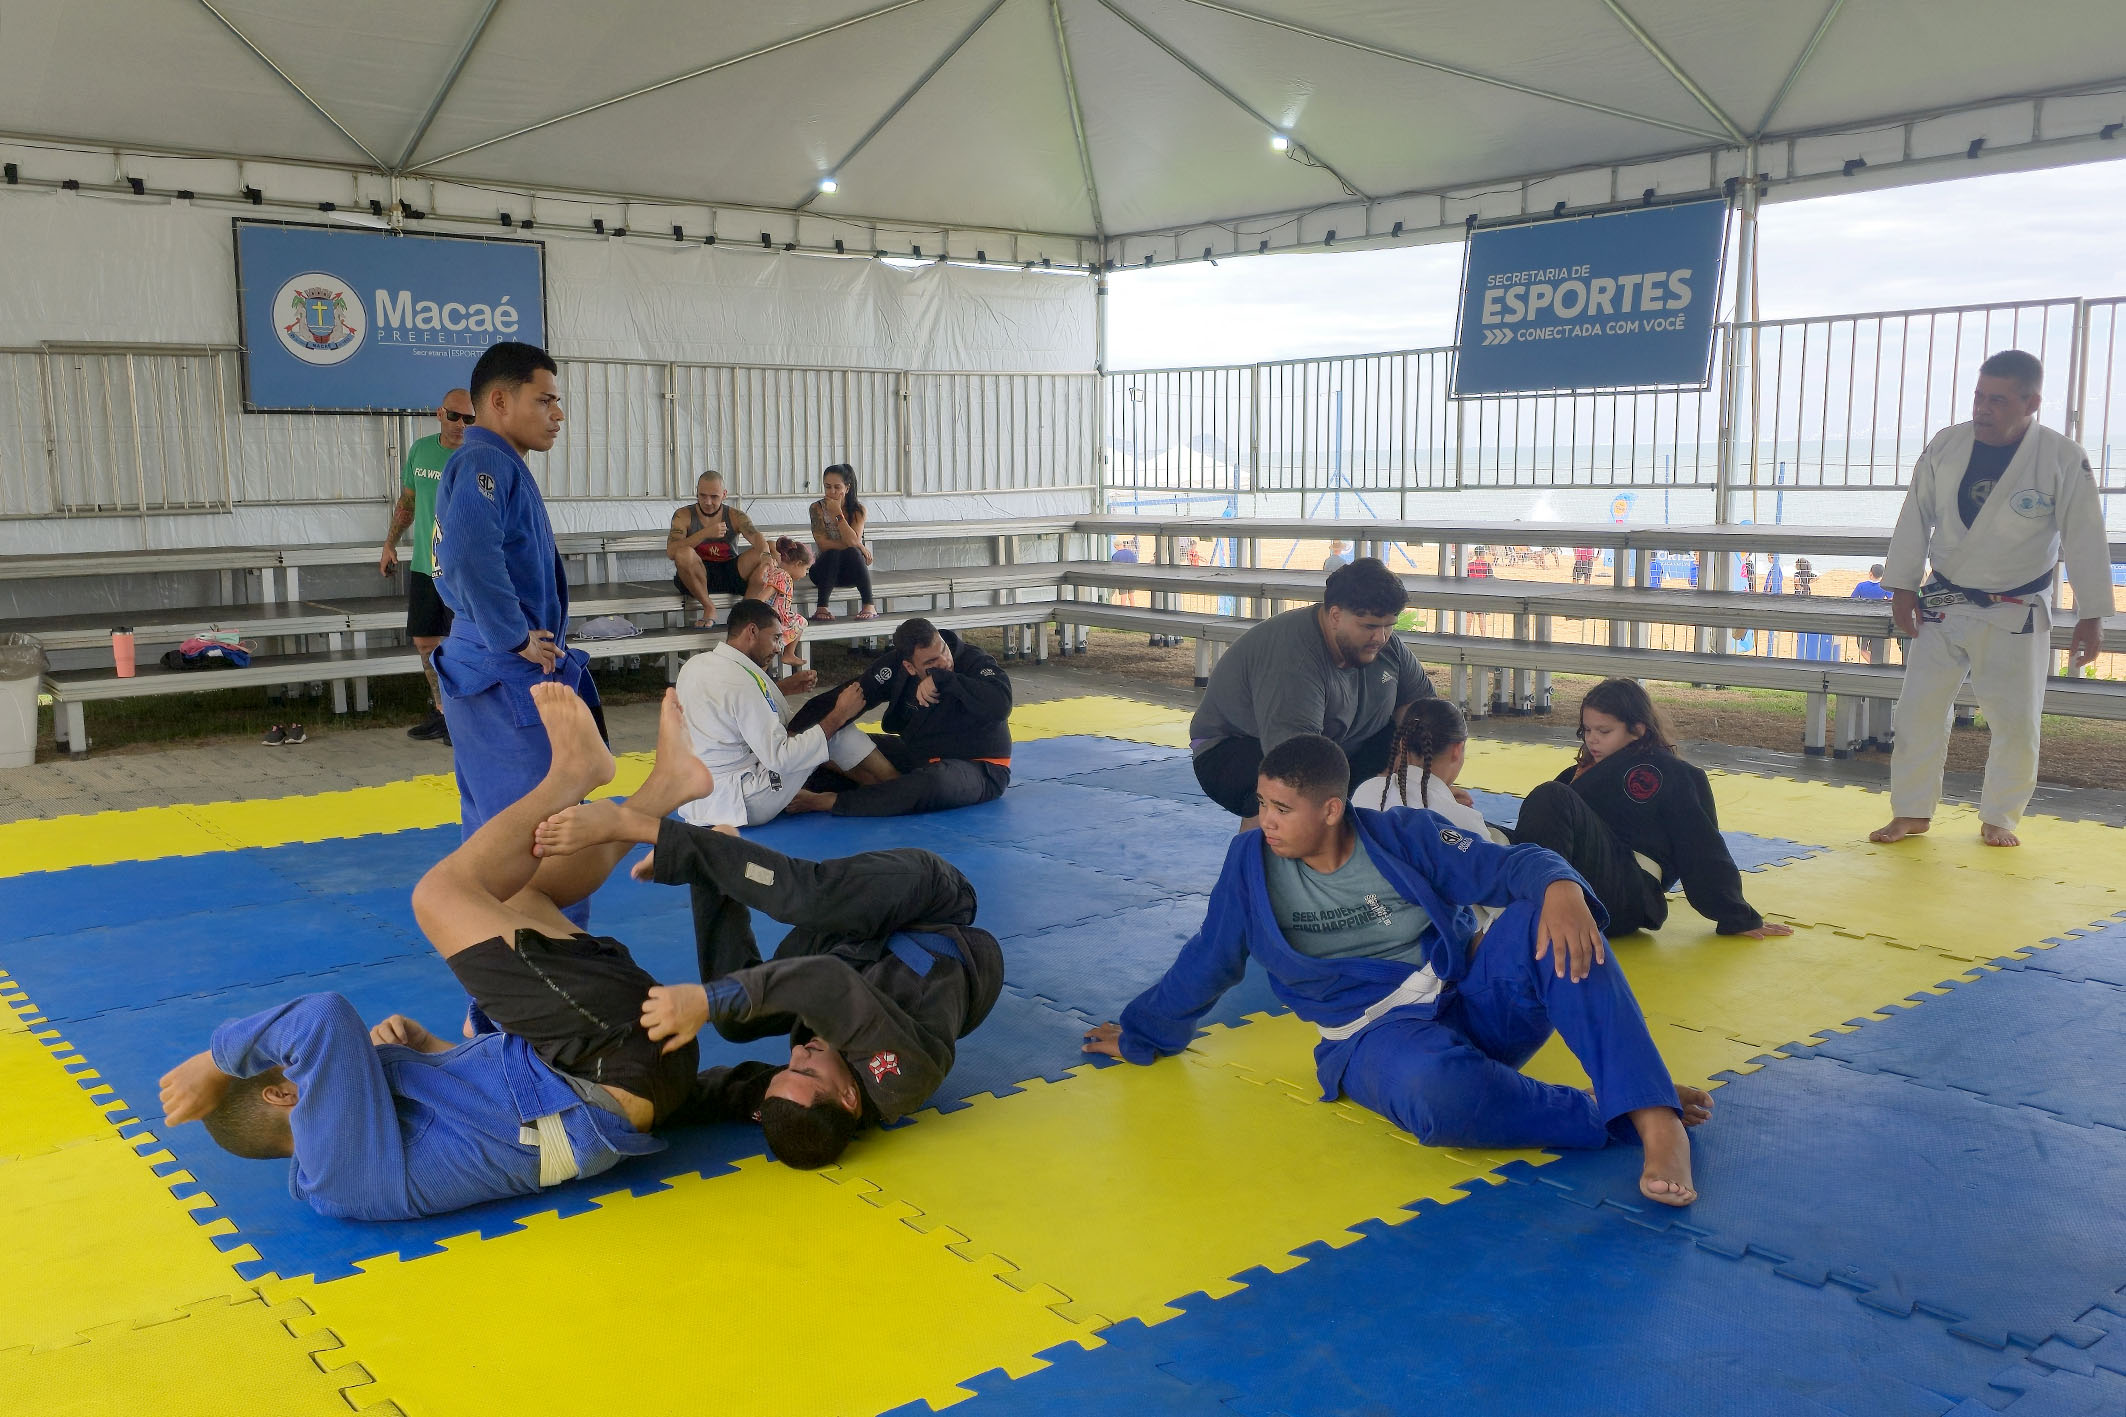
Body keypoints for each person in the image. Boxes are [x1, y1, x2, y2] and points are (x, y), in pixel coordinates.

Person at [155, 684, 718, 1221]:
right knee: (439, 896)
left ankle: (667, 788)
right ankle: (572, 775)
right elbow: (320, 1019)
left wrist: (432, 1052)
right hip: (608, 1067)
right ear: (283, 1094)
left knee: (519, 891)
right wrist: (217, 1060)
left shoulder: (352, 1170)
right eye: (292, 1068)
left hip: (627, 1076)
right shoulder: (336, 1166)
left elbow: (495, 1124)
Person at [1083, 734, 1709, 1207]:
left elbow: (1510, 865)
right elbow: (1209, 959)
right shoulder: (1251, 864)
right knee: (1437, 1097)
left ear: (1331, 810)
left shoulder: (1402, 835)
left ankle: (1658, 1125)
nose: (1265, 821)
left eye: (1281, 808)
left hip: (1472, 1001)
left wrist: (1561, 887)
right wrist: (1142, 1033)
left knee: (1554, 923)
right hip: (1374, 1038)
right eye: (1262, 803)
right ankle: (1617, 1109)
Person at [536, 767, 1006, 1170]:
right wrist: (705, 999)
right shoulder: (898, 1077)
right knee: (810, 900)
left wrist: (606, 1107)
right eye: (807, 1070)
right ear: (848, 1099)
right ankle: (635, 823)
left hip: (851, 946)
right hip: (930, 907)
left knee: (737, 1023)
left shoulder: (795, 1095)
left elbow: (712, 1094)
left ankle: (715, 861)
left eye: (791, 1065)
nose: (799, 1055)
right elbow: (825, 983)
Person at [1873, 351, 2112, 848]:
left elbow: (2086, 536)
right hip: (1942, 597)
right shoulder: (1947, 444)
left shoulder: (2061, 457)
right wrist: (1902, 586)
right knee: (1917, 709)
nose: (1982, 409)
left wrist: (2091, 616)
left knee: (2015, 719)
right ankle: (1911, 811)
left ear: (2031, 402)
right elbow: (1914, 515)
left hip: (2016, 607)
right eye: (1979, 396)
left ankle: (2001, 815)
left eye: (1997, 401)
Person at [431, 341, 601, 925]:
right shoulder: (487, 463)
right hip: (503, 668)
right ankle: (546, 988)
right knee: (541, 837)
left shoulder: (491, 464)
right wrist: (514, 638)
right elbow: (470, 555)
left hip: (483, 665)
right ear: (500, 401)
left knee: (493, 838)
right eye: (546, 400)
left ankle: (495, 1002)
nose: (557, 414)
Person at [1510, 680, 1791, 940]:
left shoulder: (1665, 772)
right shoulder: (1578, 773)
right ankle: (1521, 905)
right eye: (1587, 730)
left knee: (1550, 795)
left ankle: (1534, 909)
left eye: (1604, 731)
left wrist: (1737, 915)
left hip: (1626, 895)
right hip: (1580, 889)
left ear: (1638, 730)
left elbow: (1701, 846)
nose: (1592, 739)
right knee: (1476, 829)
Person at [1190, 557, 1435, 827]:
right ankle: (1255, 861)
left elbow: (1425, 713)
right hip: (1237, 749)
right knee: (1297, 798)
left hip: (1338, 746)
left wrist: (1428, 788)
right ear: (1335, 616)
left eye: (1389, 625)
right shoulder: (1295, 661)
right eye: (1369, 626)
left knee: (1417, 731)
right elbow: (1295, 765)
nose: (1381, 637)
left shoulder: (1388, 647)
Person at [674, 599, 894, 831]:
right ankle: (895, 786)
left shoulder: (697, 664)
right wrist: (839, 716)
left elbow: (729, 712)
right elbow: (781, 758)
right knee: (832, 728)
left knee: (818, 731)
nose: (780, 647)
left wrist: (780, 689)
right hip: (745, 801)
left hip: (698, 798)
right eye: (776, 638)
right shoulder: (741, 683)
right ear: (752, 631)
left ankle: (877, 787)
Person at [789, 617, 1013, 817]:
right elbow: (845, 696)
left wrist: (944, 680)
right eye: (931, 663)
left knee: (933, 782)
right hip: (919, 754)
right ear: (910, 666)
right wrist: (792, 732)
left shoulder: (973, 660)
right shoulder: (896, 667)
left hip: (980, 767)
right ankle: (792, 788)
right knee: (832, 744)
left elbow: (1001, 704)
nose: (944, 662)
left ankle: (828, 802)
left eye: (943, 651)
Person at [379, 388, 472, 744]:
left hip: (463, 568)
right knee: (425, 642)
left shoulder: (480, 455)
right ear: (440, 414)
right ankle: (443, 712)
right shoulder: (420, 449)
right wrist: (390, 543)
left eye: (470, 418)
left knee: (465, 642)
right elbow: (409, 501)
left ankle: (467, 716)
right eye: (455, 416)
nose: (461, 424)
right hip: (424, 564)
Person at [666, 471, 765, 628]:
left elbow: (756, 537)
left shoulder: (735, 515)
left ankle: (746, 612)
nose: (708, 501)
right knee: (683, 553)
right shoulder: (683, 515)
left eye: (714, 497)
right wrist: (705, 533)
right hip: (697, 575)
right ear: (696, 493)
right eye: (702, 495)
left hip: (729, 571)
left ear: (724, 495)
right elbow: (671, 552)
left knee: (770, 550)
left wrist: (767, 556)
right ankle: (708, 606)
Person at [809, 463, 876, 622]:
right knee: (835, 551)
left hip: (849, 572)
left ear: (847, 488)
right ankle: (822, 607)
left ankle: (869, 605)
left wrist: (837, 513)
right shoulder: (816, 508)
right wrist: (858, 545)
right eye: (827, 487)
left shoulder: (858, 510)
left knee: (852, 552)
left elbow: (853, 540)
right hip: (823, 571)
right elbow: (823, 545)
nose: (832, 492)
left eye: (837, 487)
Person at [748, 536, 814, 671]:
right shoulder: (783, 576)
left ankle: (763, 673)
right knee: (801, 621)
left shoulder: (776, 572)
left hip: (775, 616)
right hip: (775, 617)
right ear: (798, 563)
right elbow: (764, 595)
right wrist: (756, 610)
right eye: (806, 569)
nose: (805, 573)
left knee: (769, 651)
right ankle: (788, 653)